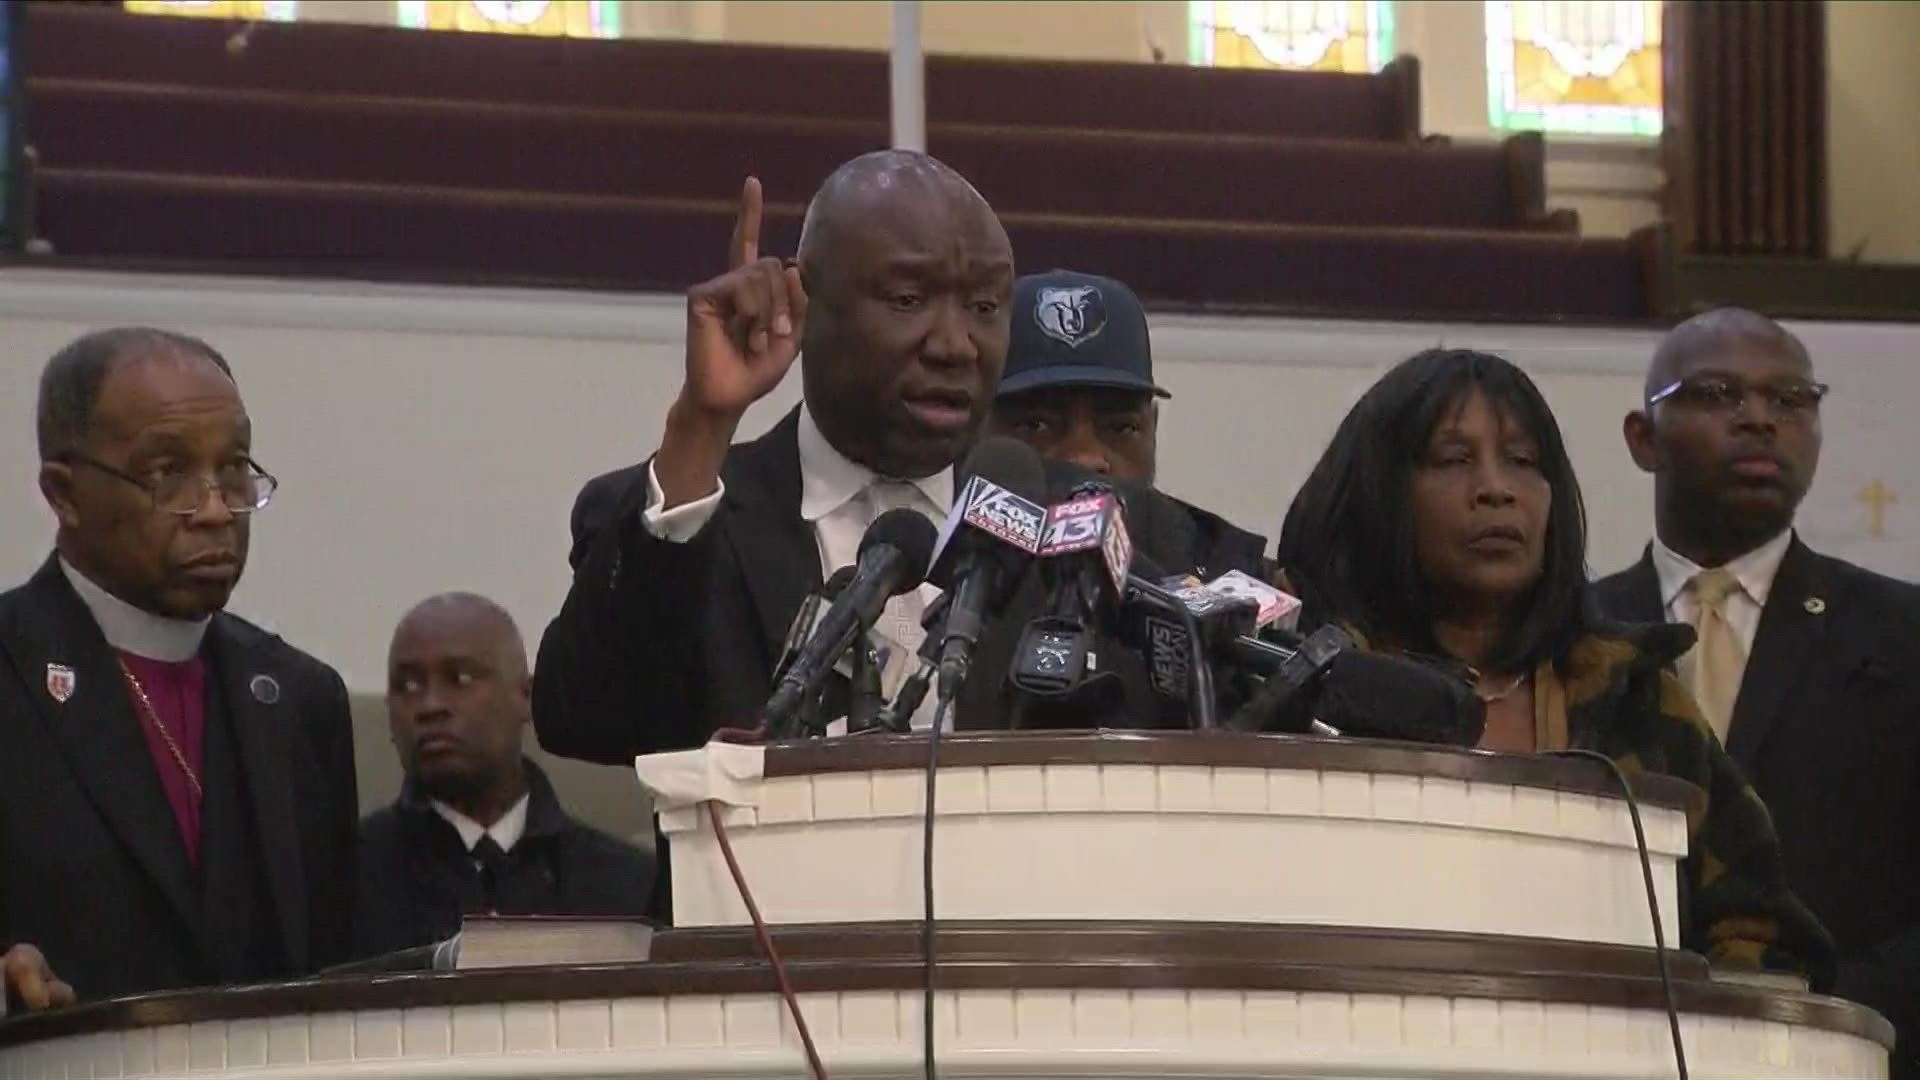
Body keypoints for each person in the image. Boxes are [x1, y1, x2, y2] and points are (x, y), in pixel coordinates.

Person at [1274, 347, 1835, 983]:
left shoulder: (1632, 696)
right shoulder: (1310, 686)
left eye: (1523, 462)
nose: (1496, 489)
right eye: (1455, 460)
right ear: (1378, 492)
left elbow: (1760, 927)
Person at [533, 151, 1018, 764]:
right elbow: (588, 720)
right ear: (804, 302)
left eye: (983, 307)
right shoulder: (692, 518)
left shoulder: (1052, 535)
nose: (955, 346)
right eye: (906, 298)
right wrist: (701, 425)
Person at [1594, 308, 1917, 1075]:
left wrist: (1832, 1018)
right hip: (1615, 1045)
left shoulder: (1901, 632)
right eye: (1717, 394)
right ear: (1644, 438)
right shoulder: (1580, 631)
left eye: (1791, 400)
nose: (1760, 421)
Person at [0, 328, 357, 1010]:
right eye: (168, 474)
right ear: (64, 493)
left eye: (233, 469)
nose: (217, 510)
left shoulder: (301, 702)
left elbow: (335, 973)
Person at [354, 594, 654, 958]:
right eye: (408, 686)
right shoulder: (345, 881)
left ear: (525, 696)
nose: (430, 706)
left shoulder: (625, 886)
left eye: (460, 678)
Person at [988, 269, 1268, 579]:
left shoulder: (1224, 573)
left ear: (1153, 430)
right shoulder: (940, 574)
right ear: (979, 433)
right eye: (1037, 425)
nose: (1086, 458)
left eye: (1121, 428)